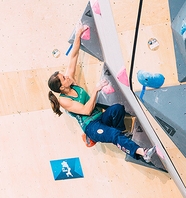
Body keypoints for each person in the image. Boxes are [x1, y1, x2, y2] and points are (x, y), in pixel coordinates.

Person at [47, 23, 156, 163]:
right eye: (64, 78)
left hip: (101, 118)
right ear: (62, 88)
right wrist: (95, 89)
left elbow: (73, 56)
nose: (67, 76)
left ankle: (121, 138)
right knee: (114, 135)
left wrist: (79, 33)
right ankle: (143, 153)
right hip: (91, 126)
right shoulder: (64, 100)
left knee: (118, 109)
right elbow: (86, 110)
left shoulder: (71, 81)